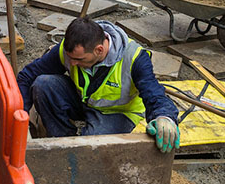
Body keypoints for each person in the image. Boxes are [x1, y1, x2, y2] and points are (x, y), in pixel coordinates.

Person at [16, 17, 180, 153]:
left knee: (89, 149)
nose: (72, 63)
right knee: (43, 84)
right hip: (84, 102)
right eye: (70, 57)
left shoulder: (134, 57)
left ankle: (77, 149)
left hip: (117, 113)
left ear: (99, 50)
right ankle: (62, 144)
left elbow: (154, 94)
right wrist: (20, 117)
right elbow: (28, 75)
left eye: (79, 60)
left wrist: (164, 117)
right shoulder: (70, 50)